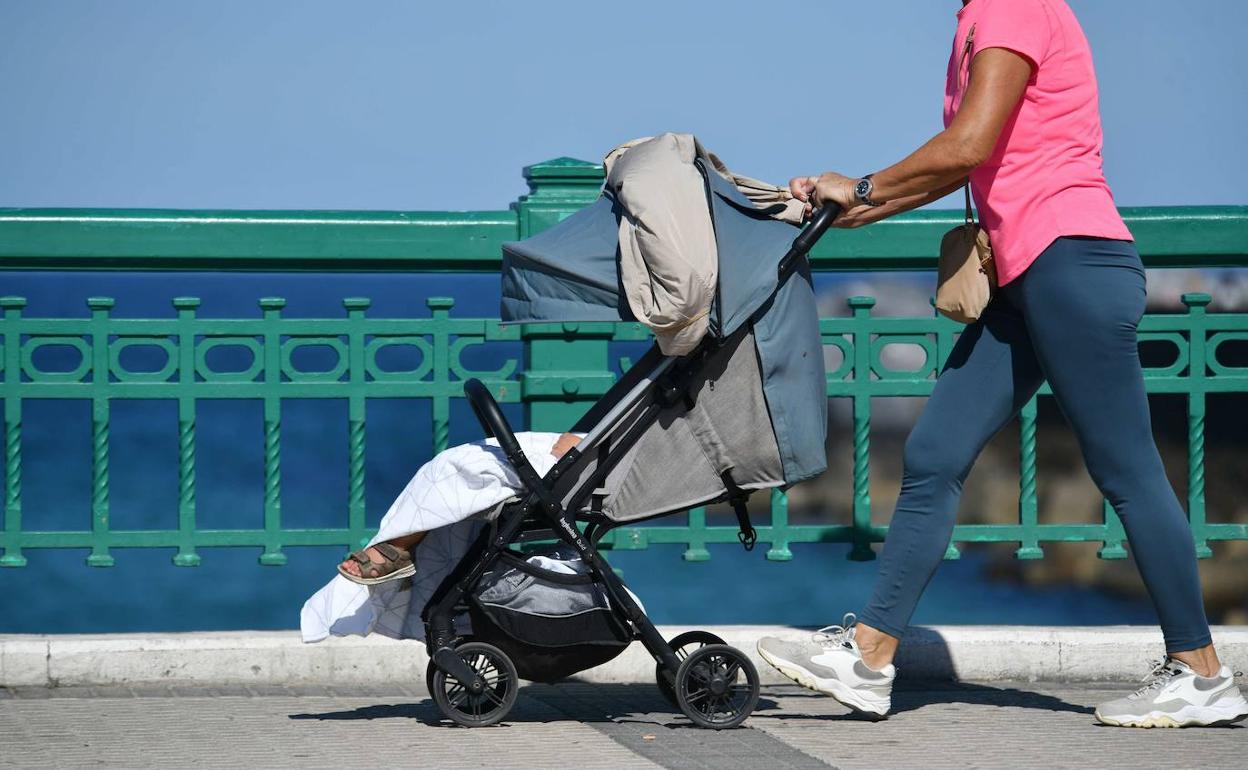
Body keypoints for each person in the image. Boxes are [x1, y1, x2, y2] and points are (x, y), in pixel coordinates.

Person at [757, 0, 1248, 728]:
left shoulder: (1013, 6)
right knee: (934, 452)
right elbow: (976, 157)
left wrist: (860, 185)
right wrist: (847, 205)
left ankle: (1200, 672)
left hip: (1071, 263)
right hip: (1027, 277)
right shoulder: (981, 18)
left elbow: (968, 142)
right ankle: (868, 658)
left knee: (1127, 469)